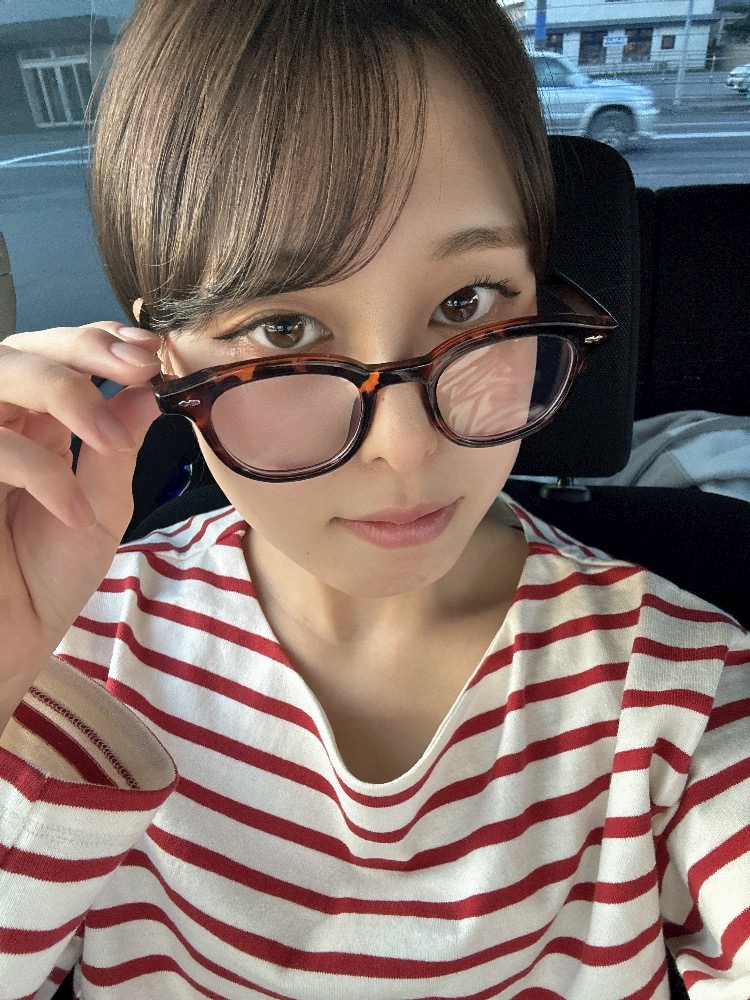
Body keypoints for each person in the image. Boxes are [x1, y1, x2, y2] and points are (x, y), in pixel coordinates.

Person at [0, 1, 748, 997]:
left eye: (465, 303)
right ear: (159, 358)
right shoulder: (63, 658)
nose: (405, 448)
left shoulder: (685, 694)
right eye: (284, 328)